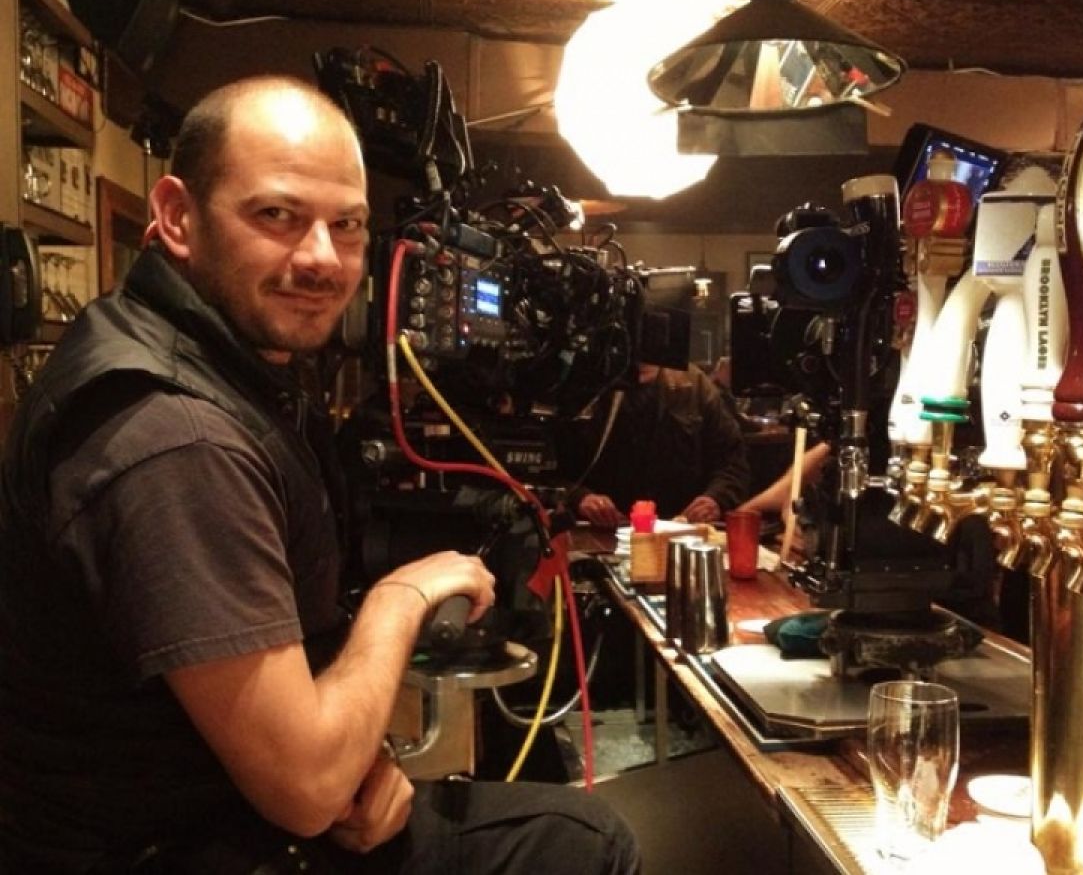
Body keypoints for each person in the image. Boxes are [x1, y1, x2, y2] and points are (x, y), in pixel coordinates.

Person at [0, 76, 639, 874]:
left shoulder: (211, 357)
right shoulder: (173, 436)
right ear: (176, 216)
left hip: (212, 811)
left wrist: (365, 760)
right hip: (166, 848)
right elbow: (305, 787)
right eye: (277, 215)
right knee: (585, 840)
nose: (321, 258)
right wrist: (399, 599)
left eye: (347, 225)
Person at [557, 362, 751, 528]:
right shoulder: (586, 380)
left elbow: (733, 463)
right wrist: (580, 498)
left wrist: (715, 499)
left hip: (680, 531)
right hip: (600, 532)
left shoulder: (694, 386)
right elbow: (548, 469)